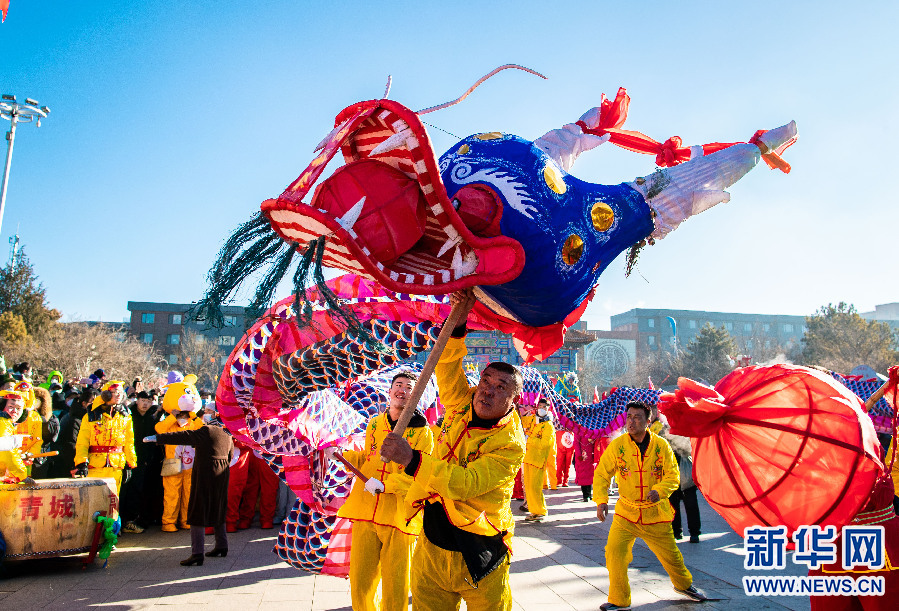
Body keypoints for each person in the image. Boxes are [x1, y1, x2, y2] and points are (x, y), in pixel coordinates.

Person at [380, 288, 525, 610]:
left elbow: (465, 483)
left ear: (514, 401)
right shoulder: (462, 401)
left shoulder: (511, 442)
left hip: (480, 549)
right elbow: (446, 366)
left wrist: (412, 460)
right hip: (432, 542)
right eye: (486, 380)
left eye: (501, 388)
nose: (487, 391)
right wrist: (457, 323)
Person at [335, 370, 434, 611]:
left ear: (417, 395)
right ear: (389, 392)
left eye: (409, 387)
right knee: (360, 581)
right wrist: (341, 455)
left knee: (396, 584)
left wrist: (386, 486)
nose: (403, 390)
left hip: (399, 517)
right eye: (398, 385)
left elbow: (422, 477)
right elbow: (368, 458)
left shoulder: (424, 433)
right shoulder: (374, 424)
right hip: (366, 511)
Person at [593, 401, 705, 610]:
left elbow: (673, 475)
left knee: (671, 555)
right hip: (626, 513)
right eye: (629, 417)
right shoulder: (617, 446)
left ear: (648, 420)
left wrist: (660, 491)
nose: (631, 421)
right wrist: (601, 500)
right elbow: (602, 473)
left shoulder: (661, 446)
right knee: (614, 553)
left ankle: (684, 585)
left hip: (655, 514)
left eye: (637, 417)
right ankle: (618, 599)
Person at [146, 400, 233, 566]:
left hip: (205, 472)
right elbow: (229, 455)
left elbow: (183, 436)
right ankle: (222, 545)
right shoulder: (227, 431)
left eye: (208, 411)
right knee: (218, 508)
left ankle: (197, 553)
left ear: (215, 413)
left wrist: (157, 438)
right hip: (222, 473)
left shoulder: (206, 430)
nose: (204, 414)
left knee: (197, 510)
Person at [73, 381, 137, 493]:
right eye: (115, 392)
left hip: (117, 466)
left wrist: (130, 463)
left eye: (121, 392)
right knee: (95, 500)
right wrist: (81, 462)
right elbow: (83, 441)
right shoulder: (92, 415)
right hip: (96, 465)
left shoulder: (125, 416)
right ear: (106, 394)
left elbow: (129, 441)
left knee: (113, 500)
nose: (119, 395)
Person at [120, 391, 163, 533]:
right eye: (143, 400)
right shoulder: (129, 415)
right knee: (127, 491)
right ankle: (125, 520)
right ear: (137, 400)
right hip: (128, 460)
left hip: (144, 461)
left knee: (140, 490)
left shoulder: (151, 418)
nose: (145, 403)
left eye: (148, 401)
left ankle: (134, 520)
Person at [49, 387, 97, 478]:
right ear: (84, 404)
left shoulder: (89, 419)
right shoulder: (74, 420)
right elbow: (70, 446)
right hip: (69, 466)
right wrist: (78, 465)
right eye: (92, 402)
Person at [522, 400, 554, 522]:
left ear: (548, 409)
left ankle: (541, 511)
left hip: (538, 459)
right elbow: (521, 421)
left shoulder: (548, 425)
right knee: (529, 488)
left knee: (535, 487)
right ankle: (534, 511)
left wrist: (529, 440)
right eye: (539, 406)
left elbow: (545, 444)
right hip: (528, 457)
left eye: (544, 407)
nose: (541, 408)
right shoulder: (532, 419)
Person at [666, 433, 701, 543]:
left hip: (686, 472)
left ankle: (694, 532)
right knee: (673, 504)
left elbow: (692, 447)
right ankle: (677, 531)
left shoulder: (687, 430)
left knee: (691, 504)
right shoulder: (663, 429)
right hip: (672, 474)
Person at [29, 386, 60, 479]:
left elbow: (52, 435)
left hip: (39, 459)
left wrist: (41, 418)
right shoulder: (20, 415)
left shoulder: (51, 418)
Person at [12, 381, 42, 476]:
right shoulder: (10, 413)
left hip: (27, 457)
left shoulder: (35, 416)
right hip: (10, 456)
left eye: (27, 392)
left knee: (25, 482)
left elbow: (37, 439)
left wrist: (32, 454)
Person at [0, 389, 30, 480]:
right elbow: (7, 451)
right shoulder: (3, 422)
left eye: (18, 408)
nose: (14, 411)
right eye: (10, 406)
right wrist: (22, 475)